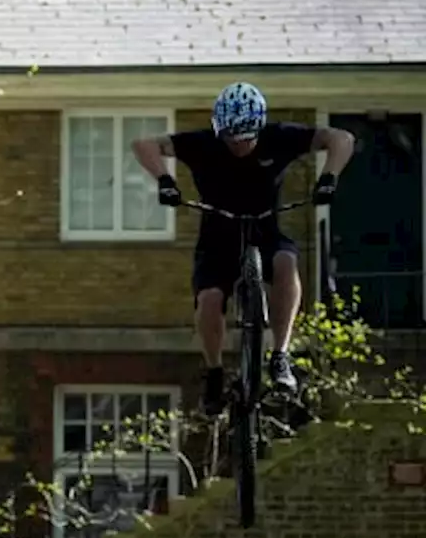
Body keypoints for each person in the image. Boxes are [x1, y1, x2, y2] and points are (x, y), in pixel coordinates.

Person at [132, 82, 355, 416]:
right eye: (230, 139)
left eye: (246, 139)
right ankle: (214, 372)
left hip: (266, 229)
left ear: (259, 128)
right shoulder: (203, 144)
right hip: (217, 237)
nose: (238, 146)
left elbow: (341, 138)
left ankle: (280, 355)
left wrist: (329, 178)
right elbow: (144, 144)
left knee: (285, 263)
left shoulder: (279, 137)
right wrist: (165, 180)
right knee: (209, 300)